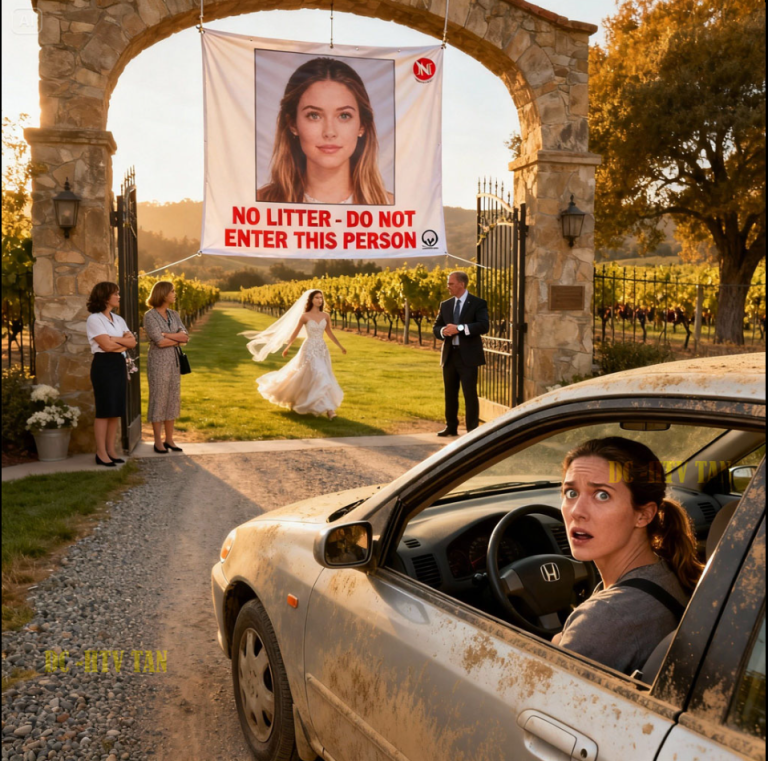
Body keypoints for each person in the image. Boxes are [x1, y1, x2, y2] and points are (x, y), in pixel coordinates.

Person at [554, 437, 705, 676]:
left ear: (643, 515)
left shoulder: (606, 616)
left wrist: (562, 641)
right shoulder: (669, 572)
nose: (576, 511)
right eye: (571, 492)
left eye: (602, 495)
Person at [257, 57, 393, 205]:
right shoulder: (260, 202)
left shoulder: (390, 205)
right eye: (314, 115)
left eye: (344, 116)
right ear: (293, 124)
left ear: (362, 126)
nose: (329, 132)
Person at [241, 290, 346, 418]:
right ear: (311, 300)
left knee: (322, 375)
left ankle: (327, 409)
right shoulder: (305, 316)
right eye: (316, 298)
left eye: (321, 298)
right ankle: (327, 410)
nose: (319, 300)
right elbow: (295, 333)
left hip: (322, 350)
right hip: (309, 349)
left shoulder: (326, 316)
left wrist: (340, 346)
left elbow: (329, 332)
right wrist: (287, 347)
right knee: (317, 374)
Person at [85, 281, 137, 466]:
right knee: (104, 410)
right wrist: (121, 342)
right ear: (105, 297)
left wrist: (114, 340)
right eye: (115, 293)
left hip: (118, 364)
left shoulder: (119, 319)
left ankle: (111, 451)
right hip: (104, 365)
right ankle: (101, 453)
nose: (118, 296)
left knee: (115, 410)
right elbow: (105, 346)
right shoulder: (94, 319)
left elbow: (132, 343)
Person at [432, 271, 489, 436]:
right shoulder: (445, 305)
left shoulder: (478, 303)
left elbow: (483, 326)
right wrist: (443, 331)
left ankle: (472, 430)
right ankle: (451, 427)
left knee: (469, 394)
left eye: (451, 283)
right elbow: (436, 327)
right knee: (450, 393)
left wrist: (460, 328)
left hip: (468, 357)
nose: (448, 287)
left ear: (461, 284)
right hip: (450, 356)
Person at [143, 281, 189, 454]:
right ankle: (157, 441)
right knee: (159, 399)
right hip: (158, 362)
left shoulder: (174, 314)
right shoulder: (150, 316)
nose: (175, 294)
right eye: (172, 291)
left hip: (174, 362)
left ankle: (169, 440)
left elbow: (186, 337)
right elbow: (159, 342)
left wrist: (167, 335)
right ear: (163, 294)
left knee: (172, 399)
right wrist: (175, 338)